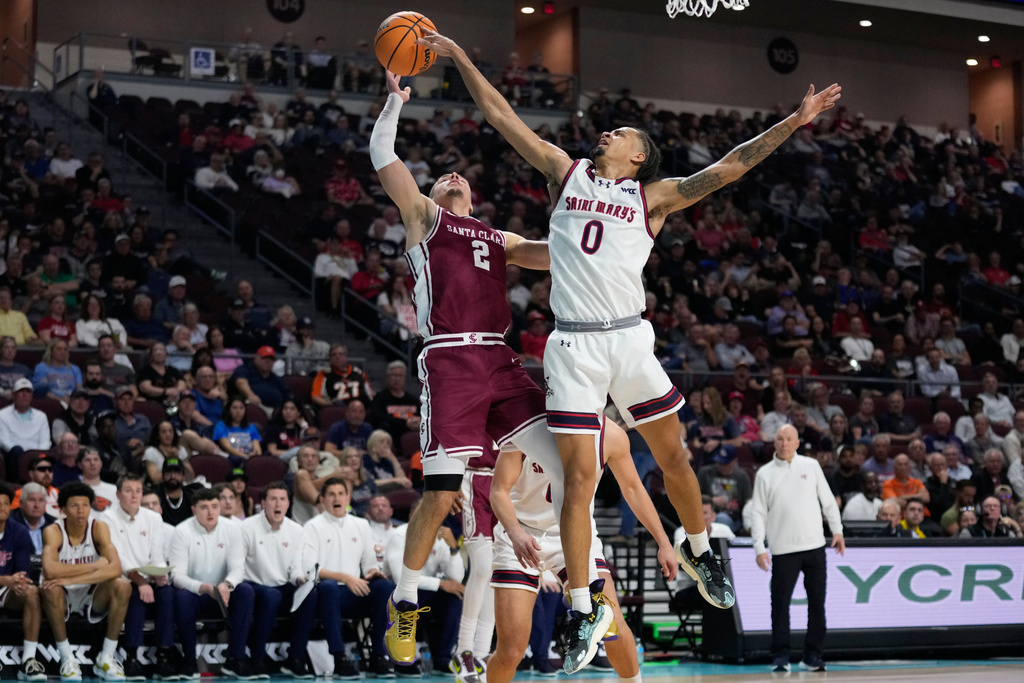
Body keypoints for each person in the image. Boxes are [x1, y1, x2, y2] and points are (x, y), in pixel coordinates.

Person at [370, 69, 582, 669]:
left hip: (500, 357)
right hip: (451, 359)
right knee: (439, 498)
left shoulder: (496, 235)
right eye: (443, 177)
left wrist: (594, 236)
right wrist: (394, 102)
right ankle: (405, 603)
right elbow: (383, 154)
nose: (453, 175)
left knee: (568, 462)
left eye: (458, 175)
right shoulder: (424, 219)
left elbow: (552, 257)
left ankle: (581, 592)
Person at [486, 419, 677, 683]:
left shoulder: (611, 434)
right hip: (521, 532)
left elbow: (633, 489)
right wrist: (516, 534)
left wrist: (663, 542)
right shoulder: (524, 423)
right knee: (511, 650)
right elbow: (498, 491)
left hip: (576, 533)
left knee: (613, 629)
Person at [750, 425, 844, 672]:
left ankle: (813, 655)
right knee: (780, 604)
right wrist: (759, 547)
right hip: (782, 549)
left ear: (797, 443)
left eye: (788, 439)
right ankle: (780, 655)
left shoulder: (811, 466)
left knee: (817, 602)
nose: (783, 443)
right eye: (779, 439)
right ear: (775, 443)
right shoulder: (764, 474)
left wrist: (838, 530)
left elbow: (827, 499)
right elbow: (758, 513)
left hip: (814, 546)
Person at [303, 477, 396, 678]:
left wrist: (373, 572)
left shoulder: (361, 524)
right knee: (328, 587)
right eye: (331, 494)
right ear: (323, 499)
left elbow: (369, 562)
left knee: (385, 587)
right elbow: (311, 569)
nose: (336, 498)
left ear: (347, 498)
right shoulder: (312, 526)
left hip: (354, 590)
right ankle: (340, 659)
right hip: (325, 593)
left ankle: (378, 656)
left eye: (340, 494)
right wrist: (345, 578)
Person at [40, 482, 131, 681]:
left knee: (122, 585)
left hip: (91, 593)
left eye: (86, 505)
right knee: (50, 589)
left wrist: (69, 576)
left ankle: (106, 657)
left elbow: (115, 568)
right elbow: (50, 570)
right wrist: (93, 566)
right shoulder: (53, 531)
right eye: (74, 506)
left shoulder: (99, 528)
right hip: (61, 594)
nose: (81, 511)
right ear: (62, 509)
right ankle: (67, 658)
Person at [170, 487, 256, 680]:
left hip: (223, 592)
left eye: (214, 506)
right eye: (204, 507)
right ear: (194, 510)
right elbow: (178, 576)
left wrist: (226, 585)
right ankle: (190, 662)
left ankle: (235, 659)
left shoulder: (233, 529)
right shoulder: (182, 531)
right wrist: (206, 588)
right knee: (181, 596)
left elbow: (237, 569)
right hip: (197, 593)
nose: (210, 512)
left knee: (246, 591)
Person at [238, 482, 317, 678]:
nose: (278, 504)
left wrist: (300, 579)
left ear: (288, 503)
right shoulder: (246, 527)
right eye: (273, 499)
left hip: (282, 585)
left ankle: (295, 658)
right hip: (253, 585)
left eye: (282, 499)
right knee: (271, 596)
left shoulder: (297, 530)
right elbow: (237, 565)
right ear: (263, 503)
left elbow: (295, 567)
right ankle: (257, 658)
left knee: (311, 594)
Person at [101, 473, 177, 679]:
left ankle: (164, 657)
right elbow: (118, 557)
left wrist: (161, 574)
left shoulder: (153, 517)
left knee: (167, 593)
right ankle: (132, 658)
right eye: (128, 491)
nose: (134, 495)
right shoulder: (106, 518)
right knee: (134, 596)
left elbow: (157, 555)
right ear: (117, 494)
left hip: (149, 576)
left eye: (138, 491)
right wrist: (141, 581)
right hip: (123, 578)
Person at [0, 481, 47, 681]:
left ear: (11, 507)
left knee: (31, 591)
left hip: (7, 589)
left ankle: (28, 661)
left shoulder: (19, 531)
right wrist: (5, 580)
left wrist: (16, 581)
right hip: (5, 582)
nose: (1, 508)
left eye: (4, 504)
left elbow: (23, 572)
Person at [0, 378, 52, 482]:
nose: (24, 395)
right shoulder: (2, 414)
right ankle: (15, 484)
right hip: (14, 454)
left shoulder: (41, 416)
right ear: (14, 395)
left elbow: (45, 441)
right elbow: (4, 441)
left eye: (28, 392)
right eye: (21, 391)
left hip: (36, 454)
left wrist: (34, 454)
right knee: (15, 451)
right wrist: (23, 456)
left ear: (31, 396)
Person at [368, 360, 420, 443]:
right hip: (390, 438)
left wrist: (418, 421)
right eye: (394, 375)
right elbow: (377, 418)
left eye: (401, 376)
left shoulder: (412, 399)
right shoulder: (380, 398)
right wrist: (405, 423)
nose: (397, 379)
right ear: (388, 377)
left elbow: (421, 416)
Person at [229, 346, 291, 411]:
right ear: (256, 358)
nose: (268, 361)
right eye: (264, 357)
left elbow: (287, 393)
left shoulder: (276, 378)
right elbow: (240, 382)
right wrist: (251, 395)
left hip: (278, 410)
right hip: (254, 407)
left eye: (271, 359)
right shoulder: (245, 369)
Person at [214, 397, 263, 461]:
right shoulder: (221, 426)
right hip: (231, 459)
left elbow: (257, 450)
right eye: (234, 408)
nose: (238, 411)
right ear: (228, 410)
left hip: (250, 459)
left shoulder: (252, 427)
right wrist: (245, 456)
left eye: (241, 408)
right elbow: (227, 447)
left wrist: (254, 456)